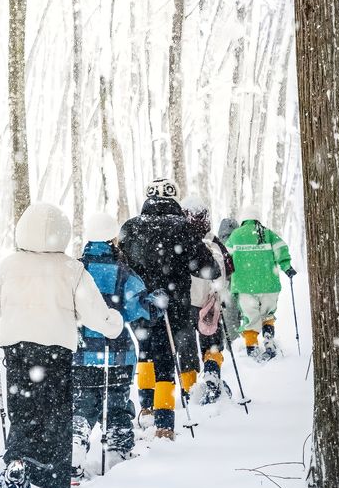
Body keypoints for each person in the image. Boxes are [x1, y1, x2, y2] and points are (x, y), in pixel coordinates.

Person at [0, 201, 123, 488]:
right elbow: (96, 314)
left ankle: (17, 465)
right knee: (55, 416)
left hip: (17, 350)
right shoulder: (71, 270)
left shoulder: (7, 267)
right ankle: (54, 486)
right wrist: (113, 324)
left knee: (23, 411)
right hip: (56, 352)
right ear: (61, 233)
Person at [119, 179, 220, 439]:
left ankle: (146, 407)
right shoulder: (183, 229)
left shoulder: (130, 228)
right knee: (165, 359)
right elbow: (208, 268)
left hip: (140, 303)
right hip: (173, 306)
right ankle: (164, 423)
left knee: (145, 352)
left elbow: (121, 263)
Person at [72, 212, 154, 480]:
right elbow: (137, 309)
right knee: (116, 406)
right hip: (117, 355)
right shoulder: (124, 273)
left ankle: (75, 444)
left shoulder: (75, 271)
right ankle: (118, 452)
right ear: (112, 239)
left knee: (83, 406)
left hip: (82, 354)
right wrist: (154, 302)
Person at [225, 203, 296, 361]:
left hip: (244, 286)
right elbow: (281, 250)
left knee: (251, 317)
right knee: (267, 314)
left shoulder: (235, 236)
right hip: (269, 285)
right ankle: (269, 341)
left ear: (243, 220)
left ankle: (252, 347)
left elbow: (225, 258)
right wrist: (287, 267)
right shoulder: (268, 234)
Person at [183, 196, 234, 405]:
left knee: (185, 347)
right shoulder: (214, 243)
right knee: (212, 342)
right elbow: (229, 269)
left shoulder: (181, 243)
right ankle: (212, 372)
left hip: (186, 304)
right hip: (210, 303)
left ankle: (189, 388)